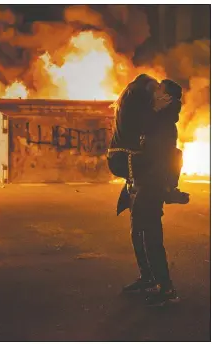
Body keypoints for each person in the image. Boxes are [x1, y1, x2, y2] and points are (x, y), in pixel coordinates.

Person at [107, 74, 182, 307]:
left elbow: (167, 156)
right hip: (143, 180)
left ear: (167, 98)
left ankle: (165, 286)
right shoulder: (156, 116)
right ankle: (148, 277)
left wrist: (165, 186)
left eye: (159, 89)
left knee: (150, 234)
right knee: (137, 231)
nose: (154, 92)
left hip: (151, 182)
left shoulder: (164, 122)